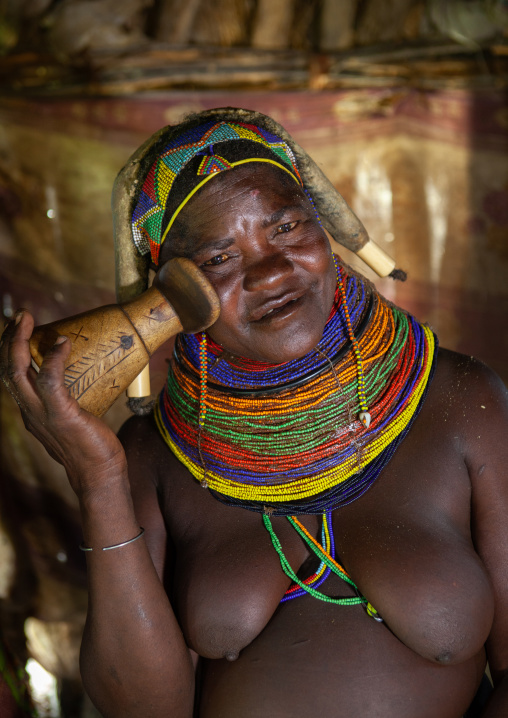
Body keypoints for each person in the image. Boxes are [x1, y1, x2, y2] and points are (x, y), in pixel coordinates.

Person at [1, 108, 508, 718]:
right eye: (219, 259)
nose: (270, 271)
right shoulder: (156, 453)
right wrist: (98, 480)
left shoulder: (458, 403)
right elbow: (143, 710)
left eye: (289, 227)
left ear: (326, 233)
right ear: (170, 297)